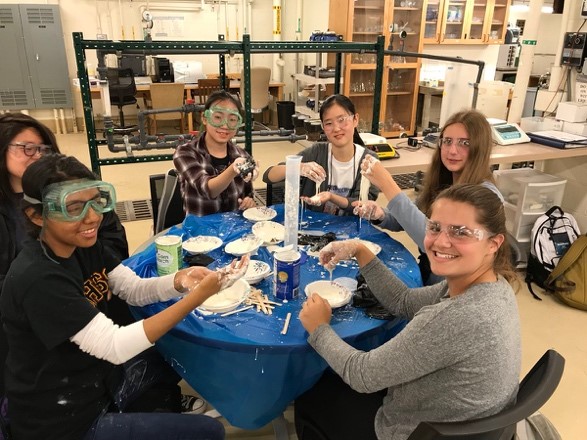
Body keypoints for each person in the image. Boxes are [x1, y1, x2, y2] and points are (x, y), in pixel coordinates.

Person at [0, 153, 249, 440]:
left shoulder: (82, 244)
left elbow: (130, 288)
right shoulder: (39, 278)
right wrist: (195, 298)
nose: (93, 217)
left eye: (97, 201)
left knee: (171, 355)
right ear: (36, 215)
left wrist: (180, 280)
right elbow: (115, 345)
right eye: (74, 208)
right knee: (209, 432)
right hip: (62, 420)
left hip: (95, 381)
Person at [295, 183, 521, 440]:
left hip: (414, 431)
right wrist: (360, 251)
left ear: (494, 243)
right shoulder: (495, 285)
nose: (441, 241)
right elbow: (403, 301)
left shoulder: (451, 319)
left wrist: (319, 328)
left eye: (461, 232)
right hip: (458, 420)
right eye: (435, 227)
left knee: (310, 397)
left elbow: (362, 374)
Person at [0, 113, 133, 418]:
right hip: (42, 345)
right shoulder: (35, 272)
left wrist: (89, 258)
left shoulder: (77, 187)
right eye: (26, 148)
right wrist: (54, 289)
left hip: (88, 312)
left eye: (44, 149)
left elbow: (111, 241)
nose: (37, 156)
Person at [353, 109, 502, 284]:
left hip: (450, 287)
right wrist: (381, 215)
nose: (452, 150)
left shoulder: (487, 195)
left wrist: (388, 185)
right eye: (447, 141)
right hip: (428, 273)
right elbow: (408, 219)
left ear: (480, 148)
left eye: (464, 143)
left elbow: (432, 240)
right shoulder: (442, 183)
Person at [263, 94, 379, 216]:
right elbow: (268, 175)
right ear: (323, 127)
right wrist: (298, 167)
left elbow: (362, 204)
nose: (336, 128)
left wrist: (330, 197)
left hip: (350, 231)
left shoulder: (368, 161)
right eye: (329, 123)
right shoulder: (317, 152)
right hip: (312, 228)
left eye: (342, 120)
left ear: (355, 119)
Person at [174, 90, 259, 216]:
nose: (225, 126)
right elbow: (208, 190)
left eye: (232, 119)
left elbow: (248, 193)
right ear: (204, 118)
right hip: (200, 231)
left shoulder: (242, 155)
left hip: (234, 229)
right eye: (218, 117)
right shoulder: (185, 153)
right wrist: (233, 169)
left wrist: (249, 202)